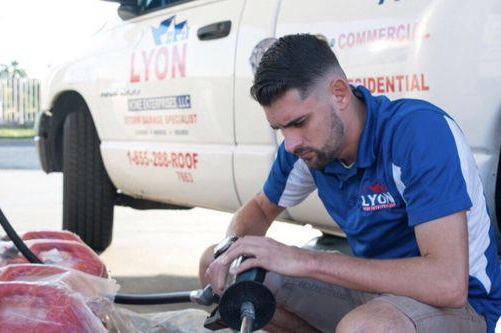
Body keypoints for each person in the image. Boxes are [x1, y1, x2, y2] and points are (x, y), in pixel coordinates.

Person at [199, 34, 501, 333]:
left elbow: (447, 284)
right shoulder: (306, 149)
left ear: (340, 93)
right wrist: (231, 251)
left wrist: (305, 260)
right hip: (375, 293)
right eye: (279, 128)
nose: (290, 142)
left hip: (460, 305)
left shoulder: (418, 133)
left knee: (366, 327)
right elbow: (261, 209)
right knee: (227, 274)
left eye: (299, 122)